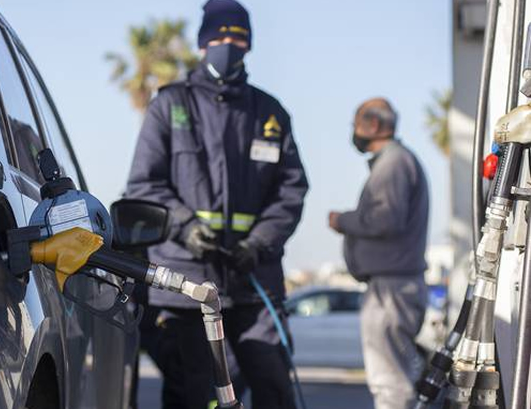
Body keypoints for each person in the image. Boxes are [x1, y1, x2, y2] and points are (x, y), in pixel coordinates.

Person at [126, 0, 308, 407]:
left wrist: (258, 243)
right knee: (196, 392)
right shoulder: (171, 105)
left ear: (249, 45)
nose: (229, 44)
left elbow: (291, 190)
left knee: (274, 385)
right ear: (204, 42)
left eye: (238, 37)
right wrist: (185, 227)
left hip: (252, 278)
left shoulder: (269, 113)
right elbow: (143, 184)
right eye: (221, 36)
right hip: (186, 282)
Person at [328, 98, 429, 409]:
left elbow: (386, 218)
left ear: (372, 125)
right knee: (391, 379)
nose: (354, 131)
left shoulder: (394, 163)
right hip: (391, 285)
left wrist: (342, 220)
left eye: (357, 122)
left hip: (391, 288)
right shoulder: (394, 162)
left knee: (389, 383)